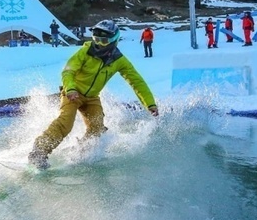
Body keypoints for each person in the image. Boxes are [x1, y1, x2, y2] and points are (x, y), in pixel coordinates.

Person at [28, 20, 159, 170]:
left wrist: (150, 104)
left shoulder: (119, 61)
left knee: (97, 128)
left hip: (92, 98)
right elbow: (68, 71)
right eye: (95, 39)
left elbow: (137, 81)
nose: (98, 44)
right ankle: (39, 152)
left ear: (114, 41)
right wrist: (70, 89)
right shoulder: (85, 51)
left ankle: (81, 152)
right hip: (73, 93)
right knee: (65, 122)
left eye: (103, 41)